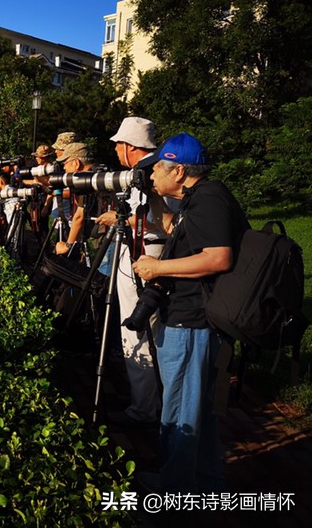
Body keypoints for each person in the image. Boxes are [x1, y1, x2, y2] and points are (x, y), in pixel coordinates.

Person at [132, 132, 248, 493]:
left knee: (180, 410)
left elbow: (218, 257)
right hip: (193, 320)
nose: (151, 176)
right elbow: (178, 232)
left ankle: (174, 492)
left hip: (192, 322)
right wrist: (154, 199)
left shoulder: (209, 200)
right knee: (198, 411)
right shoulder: (199, 200)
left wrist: (157, 269)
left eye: (157, 171)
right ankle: (203, 481)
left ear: (179, 171)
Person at [96, 116, 170, 426]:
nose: (115, 151)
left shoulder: (154, 174)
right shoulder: (149, 171)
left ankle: (143, 410)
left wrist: (124, 220)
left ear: (129, 146)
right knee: (144, 331)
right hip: (143, 252)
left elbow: (167, 222)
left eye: (118, 146)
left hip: (145, 256)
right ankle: (149, 403)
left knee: (135, 332)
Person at [53, 142, 96, 259]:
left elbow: (79, 216)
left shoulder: (86, 182)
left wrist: (67, 245)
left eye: (65, 163)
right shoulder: (98, 176)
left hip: (102, 240)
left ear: (76, 163)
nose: (64, 168)